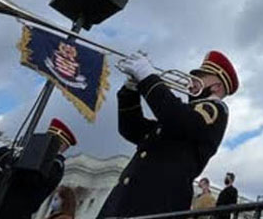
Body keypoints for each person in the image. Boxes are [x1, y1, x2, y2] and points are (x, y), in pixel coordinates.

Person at [96, 50, 238, 218]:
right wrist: (131, 90)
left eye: (201, 77)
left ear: (216, 86)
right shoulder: (181, 118)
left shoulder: (215, 109)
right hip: (125, 203)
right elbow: (131, 129)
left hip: (157, 205)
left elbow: (176, 117)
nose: (191, 82)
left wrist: (148, 77)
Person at [0, 119, 76, 219]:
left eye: (50, 139)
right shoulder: (31, 158)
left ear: (61, 145)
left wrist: (1, 151)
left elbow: (27, 178)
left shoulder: (55, 165)